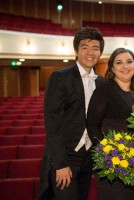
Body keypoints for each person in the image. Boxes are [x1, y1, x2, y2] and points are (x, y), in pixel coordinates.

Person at [38, 27, 105, 200]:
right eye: (84, 47)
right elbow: (53, 124)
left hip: (89, 157)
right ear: (76, 51)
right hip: (65, 158)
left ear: (100, 53)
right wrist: (60, 164)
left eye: (95, 48)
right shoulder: (60, 78)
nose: (90, 53)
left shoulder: (102, 83)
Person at [87, 48, 134, 200]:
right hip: (112, 165)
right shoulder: (104, 90)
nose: (125, 66)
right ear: (112, 68)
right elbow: (92, 126)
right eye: (119, 63)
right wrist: (109, 154)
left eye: (129, 62)